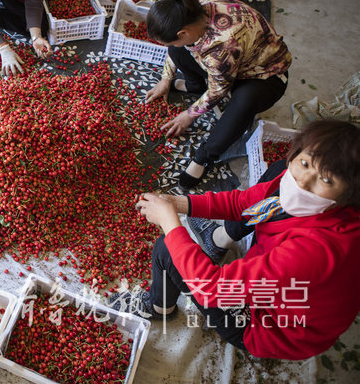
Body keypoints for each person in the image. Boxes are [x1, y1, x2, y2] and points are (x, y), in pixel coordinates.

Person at [112, 120, 360, 360]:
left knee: (167, 248)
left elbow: (211, 289)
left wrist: (169, 222)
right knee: (273, 176)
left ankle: (158, 308)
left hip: (264, 325)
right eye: (304, 163)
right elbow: (243, 203)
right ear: (296, 152)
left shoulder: (315, 251)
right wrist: (177, 204)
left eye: (326, 180)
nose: (303, 182)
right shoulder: (290, 182)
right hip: (277, 287)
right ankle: (216, 240)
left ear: (348, 193)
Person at [145, 0, 292, 189]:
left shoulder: (221, 48)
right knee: (179, 51)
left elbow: (218, 91)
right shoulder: (195, 9)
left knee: (241, 105)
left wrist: (188, 115)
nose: (169, 46)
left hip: (265, 76)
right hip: (231, 66)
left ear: (183, 33)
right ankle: (195, 86)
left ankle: (204, 157)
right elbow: (175, 48)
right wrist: (166, 79)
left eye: (172, 41)